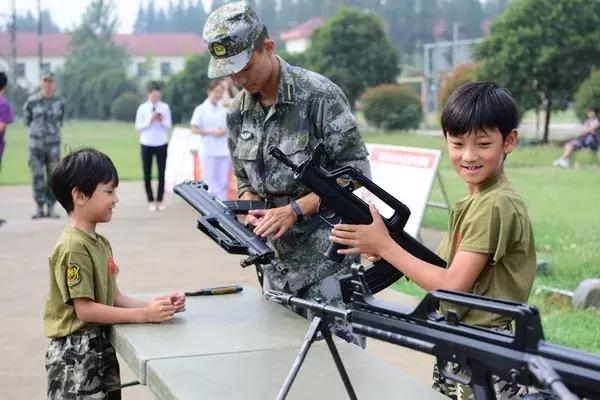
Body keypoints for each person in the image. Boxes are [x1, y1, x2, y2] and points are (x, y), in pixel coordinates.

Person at [330, 82, 537, 399]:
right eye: (457, 143)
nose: (468, 156)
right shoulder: (480, 200)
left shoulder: (495, 204)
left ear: (509, 141)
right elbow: (435, 271)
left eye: (483, 144)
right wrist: (386, 250)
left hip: (484, 346)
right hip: (465, 340)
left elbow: (451, 285)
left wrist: (386, 245)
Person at [203, 2, 371, 345]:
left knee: (340, 365)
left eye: (245, 67)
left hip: (327, 261)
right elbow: (245, 180)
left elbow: (356, 170)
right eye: (229, 72)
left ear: (268, 47)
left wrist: (296, 210)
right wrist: (251, 206)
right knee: (283, 361)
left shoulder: (319, 96)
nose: (239, 79)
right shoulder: (237, 114)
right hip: (275, 264)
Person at [44, 147, 186, 399]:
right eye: (109, 191)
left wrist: (157, 306)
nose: (115, 199)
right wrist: (143, 315)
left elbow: (114, 297)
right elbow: (85, 309)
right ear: (79, 195)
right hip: (75, 355)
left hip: (98, 345)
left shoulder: (99, 242)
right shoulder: (73, 247)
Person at [23, 72, 65, 219]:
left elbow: (61, 119)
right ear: (41, 83)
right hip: (36, 146)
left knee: (54, 177)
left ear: (54, 84)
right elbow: (27, 120)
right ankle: (40, 207)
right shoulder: (32, 101)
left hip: (53, 146)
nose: (47, 84)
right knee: (37, 176)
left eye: (50, 82)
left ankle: (51, 207)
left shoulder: (60, 102)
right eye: (45, 81)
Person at [189, 80, 231, 200]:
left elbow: (229, 128)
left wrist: (224, 131)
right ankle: (211, 210)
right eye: (216, 92)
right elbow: (194, 129)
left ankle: (223, 209)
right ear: (209, 91)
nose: (218, 95)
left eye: (221, 92)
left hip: (224, 151)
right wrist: (212, 132)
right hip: (209, 151)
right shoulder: (201, 109)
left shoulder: (224, 110)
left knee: (223, 182)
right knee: (210, 182)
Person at [135, 81, 172, 211]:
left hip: (161, 142)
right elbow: (138, 127)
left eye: (158, 96)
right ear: (148, 94)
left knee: (162, 172)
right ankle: (151, 200)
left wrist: (161, 120)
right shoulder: (142, 108)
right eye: (153, 96)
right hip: (146, 143)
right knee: (147, 172)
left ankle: (160, 200)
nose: (156, 98)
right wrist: (149, 120)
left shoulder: (164, 107)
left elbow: (168, 125)